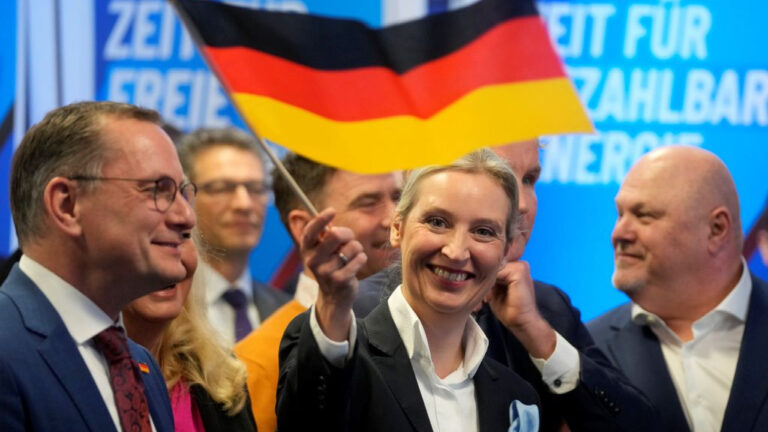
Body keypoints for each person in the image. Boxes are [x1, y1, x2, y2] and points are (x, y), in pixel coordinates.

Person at [355, 140, 659, 431]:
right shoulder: (357, 315)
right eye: (500, 172)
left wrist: (539, 337)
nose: (522, 203)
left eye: (529, 179)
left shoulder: (548, 310)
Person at [277, 149, 540, 431]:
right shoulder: (334, 348)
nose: (456, 251)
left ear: (505, 251)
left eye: (484, 231)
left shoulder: (518, 398)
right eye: (437, 222)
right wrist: (333, 304)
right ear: (397, 228)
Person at [0, 101, 195, 431]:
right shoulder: (7, 349)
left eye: (183, 193)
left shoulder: (143, 366)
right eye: (157, 190)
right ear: (67, 204)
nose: (186, 217)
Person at [588, 145, 768, 432]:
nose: (618, 233)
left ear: (716, 229)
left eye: (644, 215)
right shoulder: (587, 350)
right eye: (620, 214)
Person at [234, 153, 401, 432]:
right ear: (306, 227)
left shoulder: (430, 330)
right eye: (368, 203)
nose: (394, 219)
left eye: (398, 197)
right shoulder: (255, 364)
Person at [124, 237, 256, 432]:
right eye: (150, 239)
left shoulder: (222, 379)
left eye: (182, 235)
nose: (165, 258)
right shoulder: (81, 379)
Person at [177, 127, 289, 345]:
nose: (244, 204)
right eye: (222, 188)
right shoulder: (161, 306)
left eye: (256, 188)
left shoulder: (286, 313)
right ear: (184, 197)